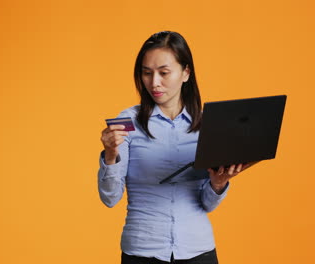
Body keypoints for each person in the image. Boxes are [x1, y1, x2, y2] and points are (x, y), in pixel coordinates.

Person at [98, 31, 247, 264]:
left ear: (186, 72)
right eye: (147, 73)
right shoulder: (126, 122)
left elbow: (206, 203)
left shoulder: (208, 125)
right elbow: (110, 197)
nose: (154, 82)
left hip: (198, 250)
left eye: (164, 73)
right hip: (143, 251)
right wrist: (110, 155)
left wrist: (219, 183)